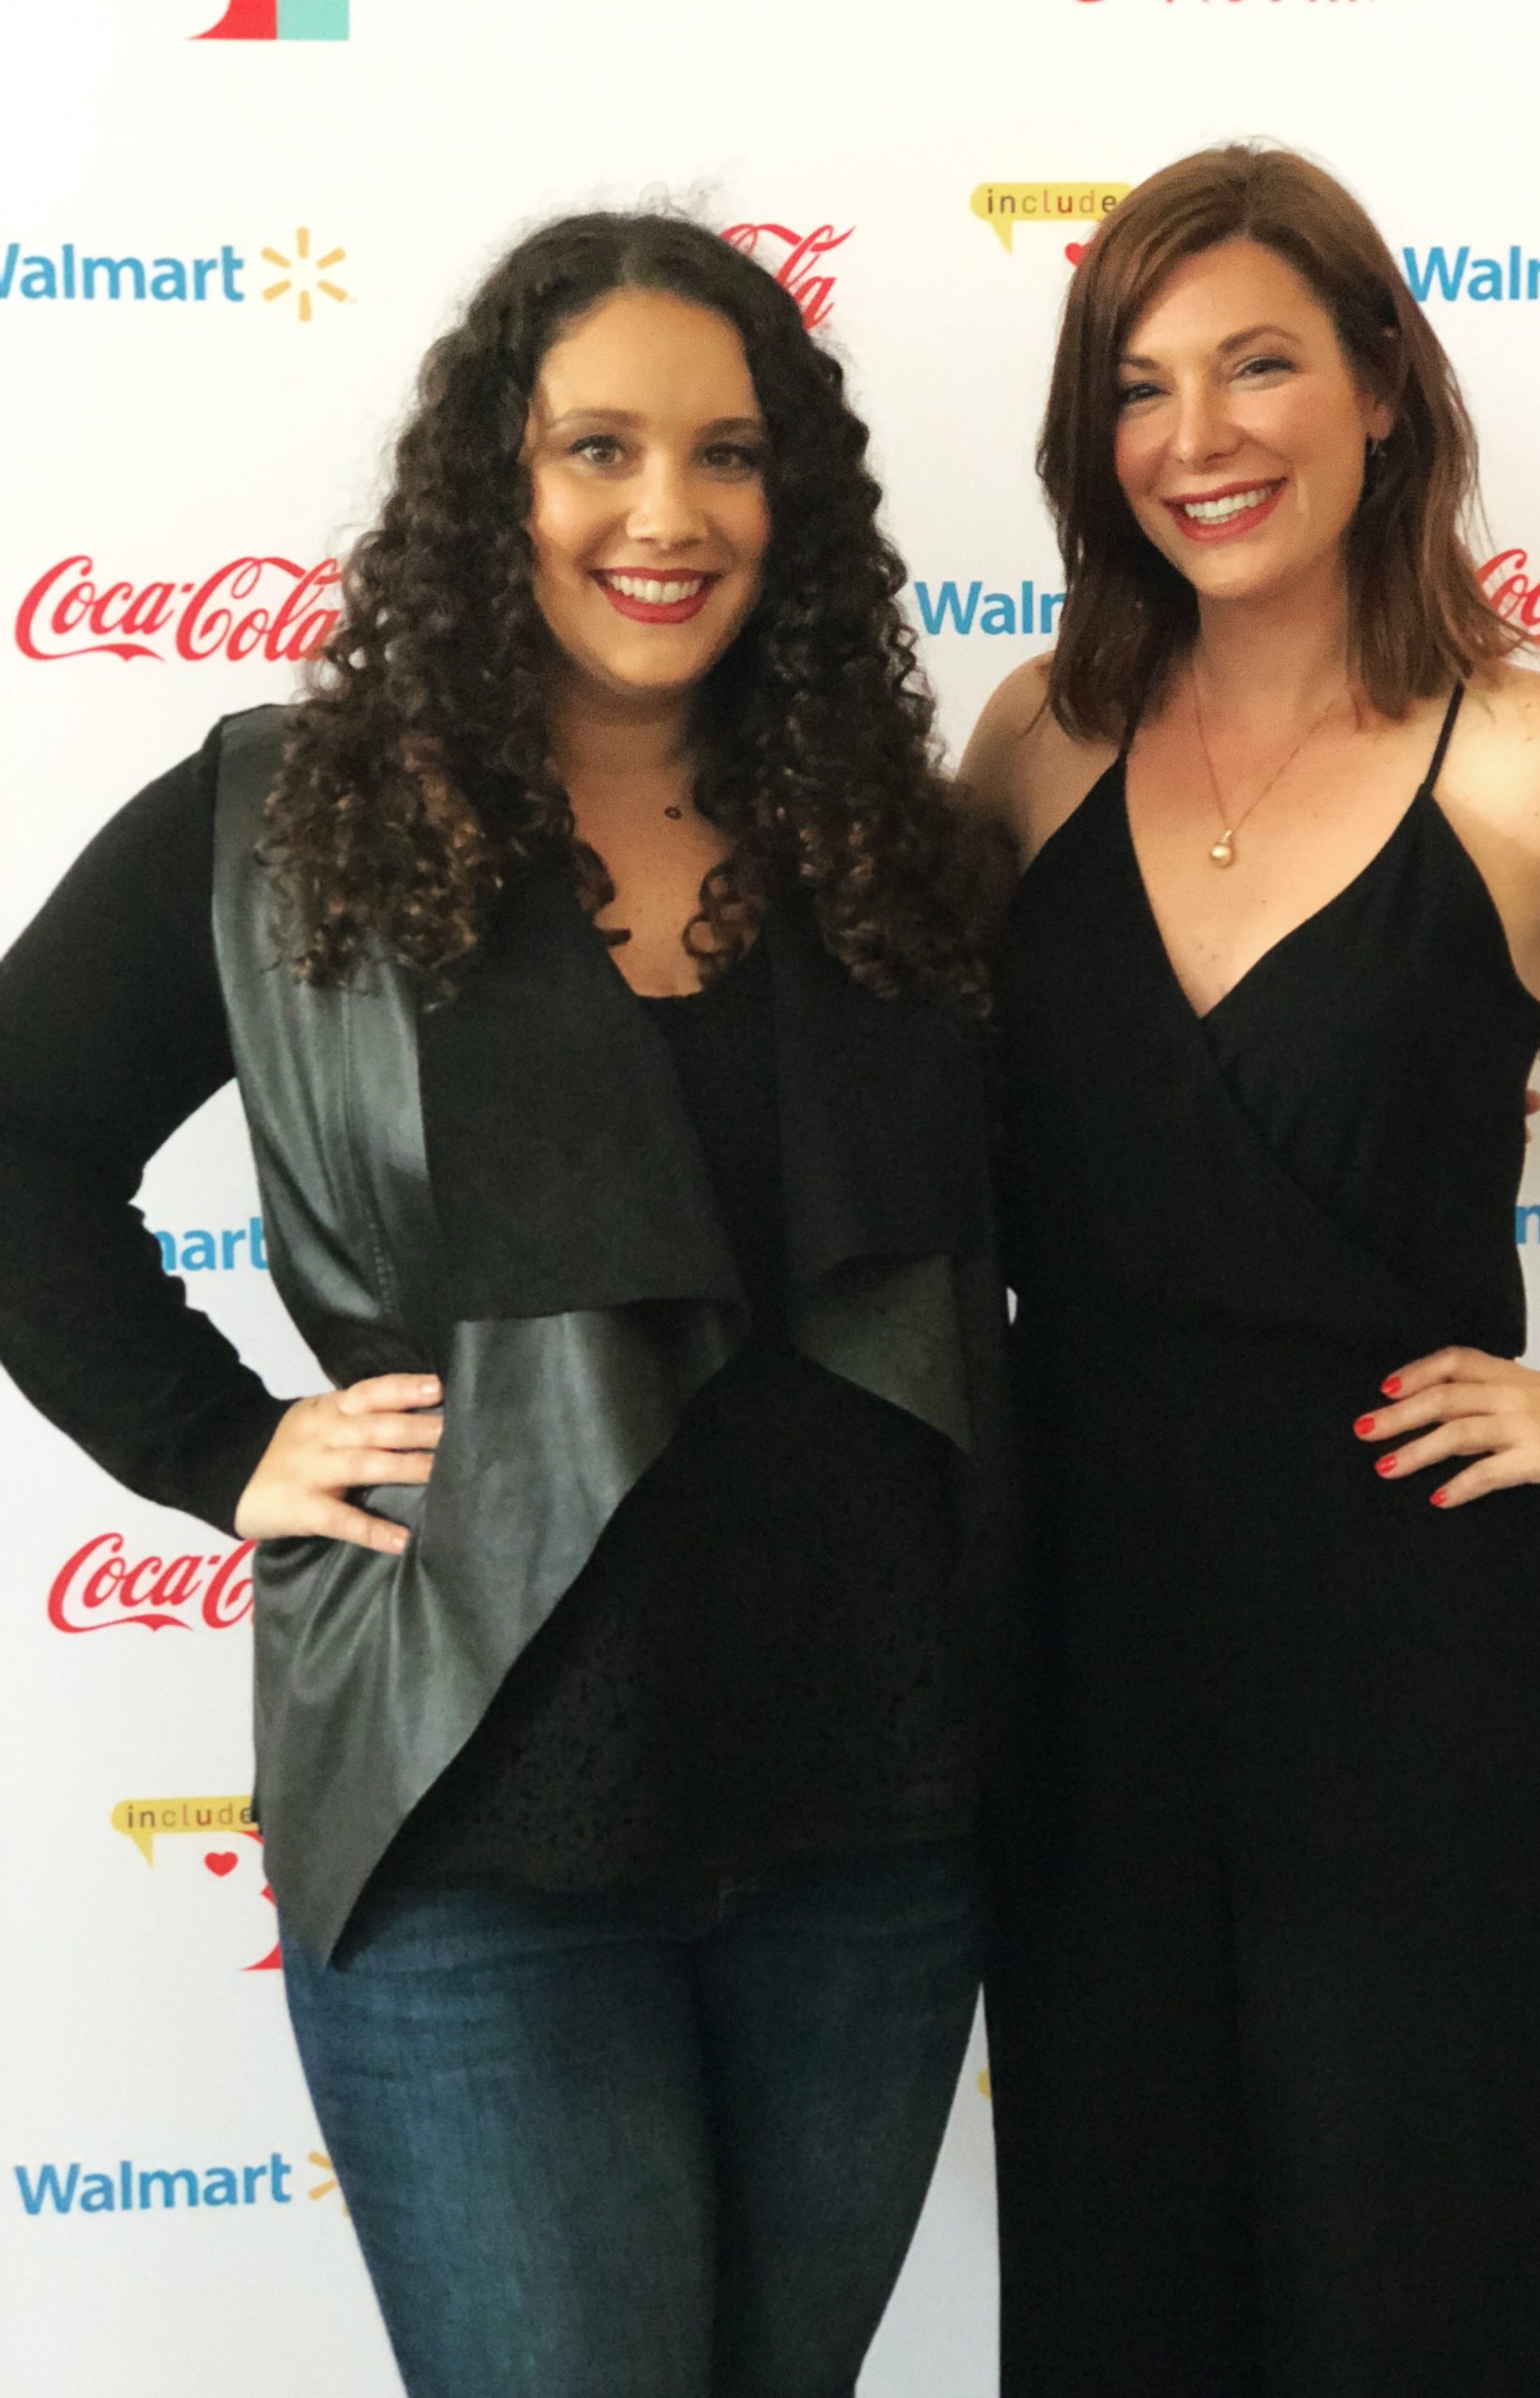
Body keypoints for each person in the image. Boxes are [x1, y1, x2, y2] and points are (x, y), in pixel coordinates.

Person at [0, 213, 1020, 2398]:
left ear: (796, 506)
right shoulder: (288, 821)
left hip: (876, 1811)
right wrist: (211, 1443)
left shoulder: (892, 840)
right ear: (495, 486)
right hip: (473, 1826)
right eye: (598, 449)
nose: (667, 514)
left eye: (730, 455)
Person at [961, 143, 1540, 2397]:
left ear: (1384, 384)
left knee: (1427, 2279)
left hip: (1409, 1647)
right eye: (1139, 383)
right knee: (1113, 2277)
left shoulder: (1537, 757)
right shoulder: (1031, 739)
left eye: (1260, 362)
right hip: (1077, 1627)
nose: (1197, 434)